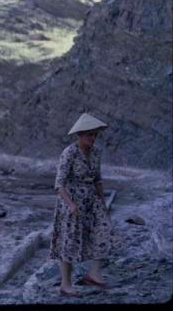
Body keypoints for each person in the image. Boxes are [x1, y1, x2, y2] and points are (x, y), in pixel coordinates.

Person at [50, 112, 113, 297]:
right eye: (89, 135)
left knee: (103, 232)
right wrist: (70, 205)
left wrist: (102, 203)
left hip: (91, 200)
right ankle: (65, 285)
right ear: (79, 135)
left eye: (95, 135)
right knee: (68, 241)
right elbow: (59, 184)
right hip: (71, 202)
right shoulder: (69, 153)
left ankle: (93, 274)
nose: (92, 138)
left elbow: (98, 180)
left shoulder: (96, 153)